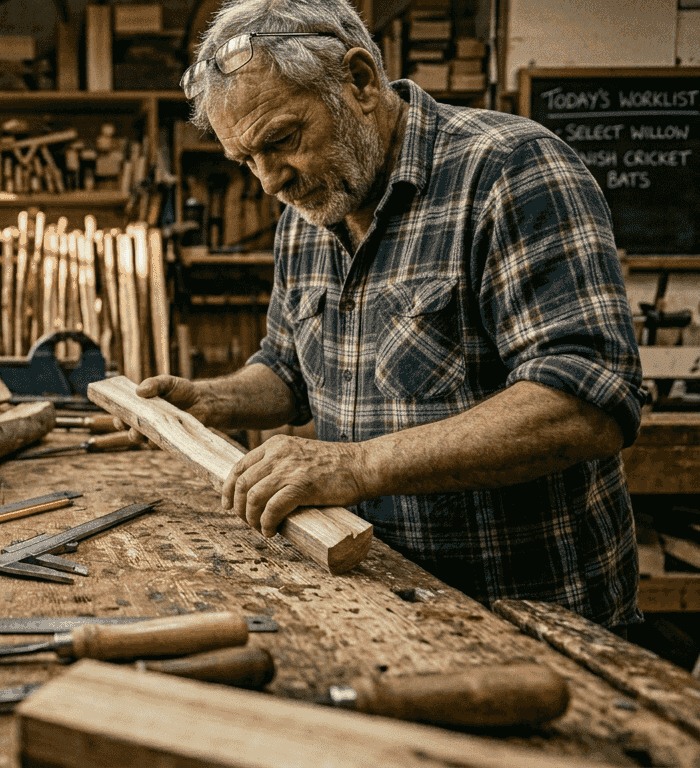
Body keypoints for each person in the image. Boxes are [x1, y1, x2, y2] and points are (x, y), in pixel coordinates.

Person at [146, 0, 644, 630]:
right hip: (378, 598)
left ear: (357, 82)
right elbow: (288, 372)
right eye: (246, 160)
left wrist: (354, 466)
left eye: (282, 140)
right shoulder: (308, 215)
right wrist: (205, 402)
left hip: (531, 615)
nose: (270, 182)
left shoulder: (510, 170)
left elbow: (585, 406)